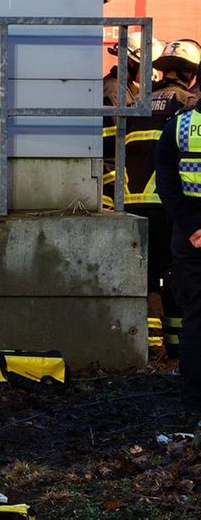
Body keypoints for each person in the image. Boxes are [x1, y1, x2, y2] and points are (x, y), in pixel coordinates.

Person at [126, 40, 200, 362]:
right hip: (169, 207)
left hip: (132, 203)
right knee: (175, 279)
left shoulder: (140, 101)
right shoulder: (185, 107)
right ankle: (175, 348)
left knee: (145, 277)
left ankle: (147, 346)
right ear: (190, 74)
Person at [153, 56, 201, 418]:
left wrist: (191, 228)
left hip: (190, 234)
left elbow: (167, 184)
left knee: (195, 319)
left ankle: (193, 403)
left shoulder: (181, 126)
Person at [102, 32, 165, 208]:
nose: (151, 71)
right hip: (110, 191)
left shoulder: (130, 91)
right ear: (130, 62)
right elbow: (113, 148)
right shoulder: (113, 93)